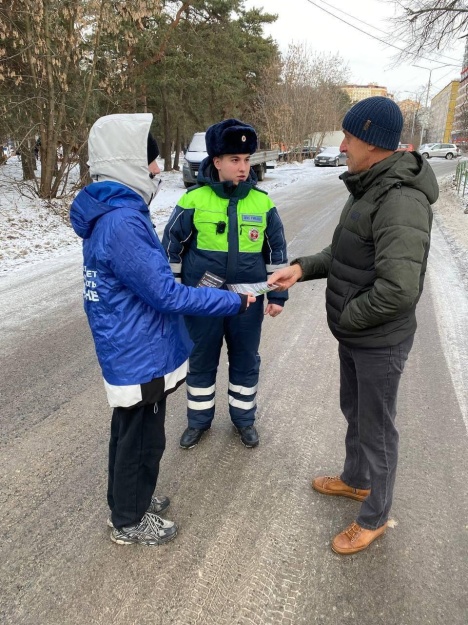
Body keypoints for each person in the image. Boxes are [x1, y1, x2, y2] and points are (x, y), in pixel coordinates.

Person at [70, 113, 254, 547]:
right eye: (150, 161)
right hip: (140, 351)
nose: (157, 170)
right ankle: (129, 520)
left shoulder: (115, 214)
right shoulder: (122, 222)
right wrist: (232, 299)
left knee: (130, 432)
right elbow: (166, 295)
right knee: (142, 439)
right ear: (127, 162)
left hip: (131, 344)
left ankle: (128, 501)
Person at [268, 97, 438, 555]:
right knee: (356, 413)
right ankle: (356, 480)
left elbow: (400, 289)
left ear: (373, 143)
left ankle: (375, 515)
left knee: (377, 428)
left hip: (378, 340)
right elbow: (346, 252)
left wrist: (350, 316)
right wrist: (302, 268)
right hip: (358, 335)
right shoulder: (370, 187)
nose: (342, 145)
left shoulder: (400, 200)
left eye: (349, 137)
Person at [162, 119, 288, 449]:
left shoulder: (263, 203)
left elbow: (277, 251)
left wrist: (278, 294)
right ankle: (199, 421)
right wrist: (174, 294)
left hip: (247, 300)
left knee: (246, 359)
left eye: (247, 159)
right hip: (202, 299)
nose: (243, 167)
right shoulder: (193, 200)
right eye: (235, 160)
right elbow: (172, 247)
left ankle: (243, 419)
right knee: (202, 359)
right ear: (216, 161)